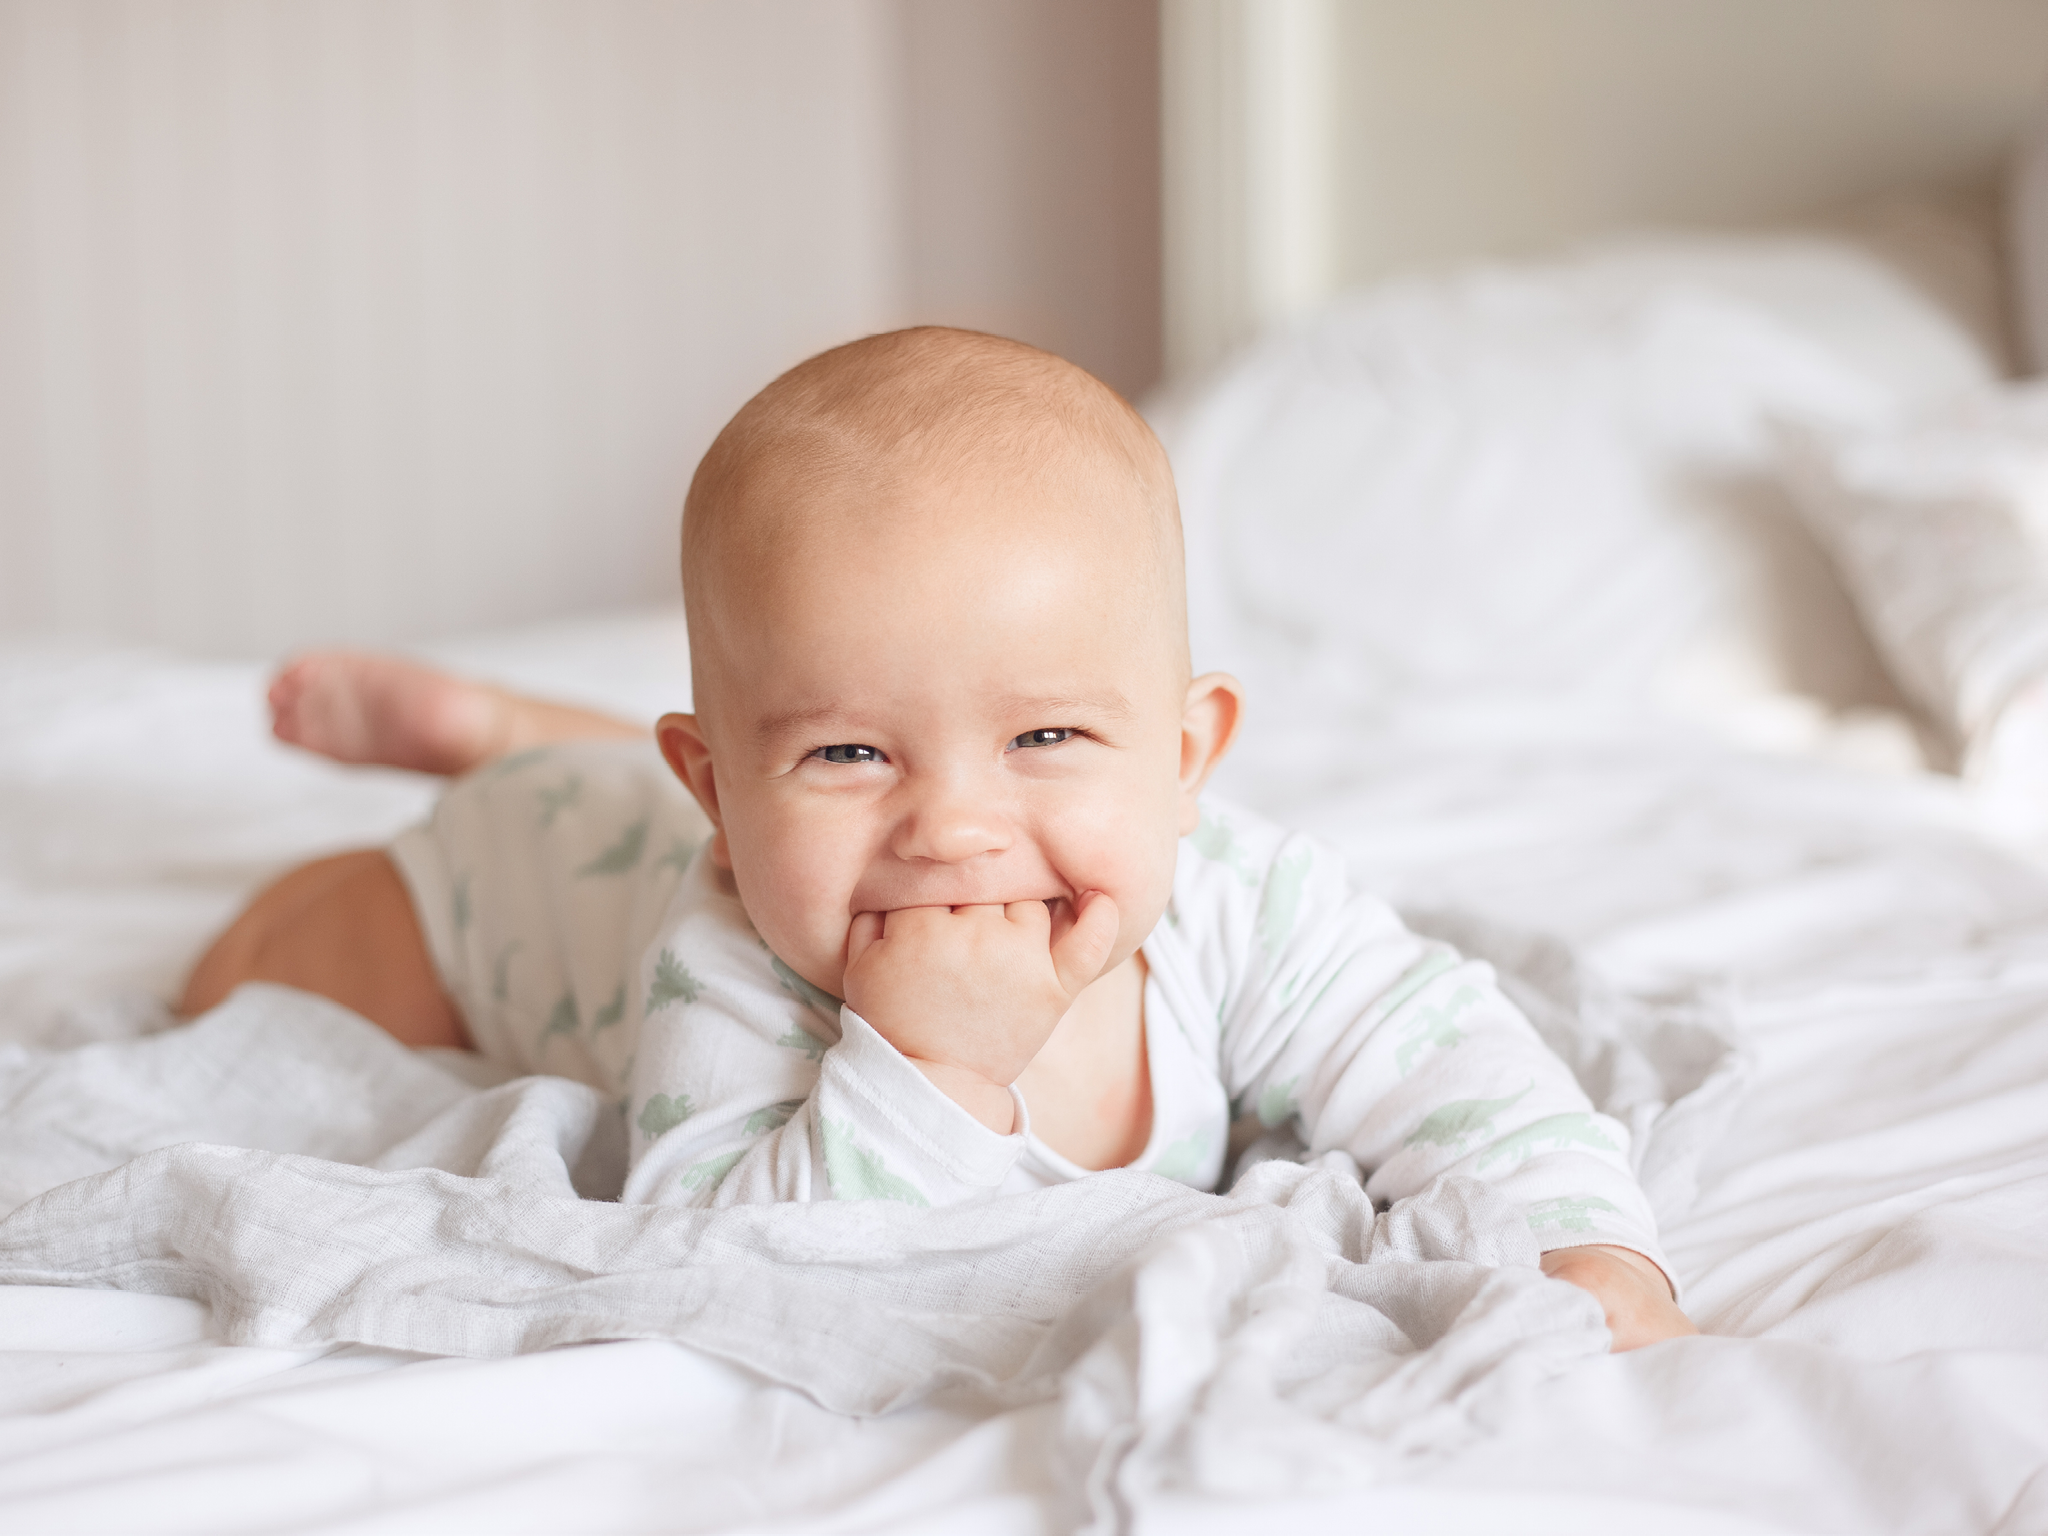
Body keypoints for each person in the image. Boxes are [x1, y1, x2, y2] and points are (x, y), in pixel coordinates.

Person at [182, 327, 1697, 1350]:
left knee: (678, 785)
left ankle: (517, 722)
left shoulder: (1244, 903)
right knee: (246, 986)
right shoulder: (735, 964)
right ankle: (503, 758)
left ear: (1186, 757)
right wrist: (935, 1073)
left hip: (642, 809)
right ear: (722, 797)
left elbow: (1459, 1069)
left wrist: (1586, 1247)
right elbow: (721, 1270)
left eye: (1046, 737)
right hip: (517, 878)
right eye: (849, 752)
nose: (957, 829)